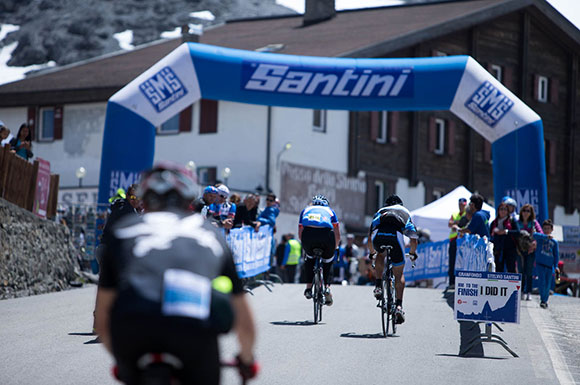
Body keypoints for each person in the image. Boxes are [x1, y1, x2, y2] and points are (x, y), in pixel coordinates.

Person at [94, 162, 257, 385]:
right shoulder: (210, 233)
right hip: (192, 328)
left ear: (146, 200)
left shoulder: (122, 231)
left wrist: (123, 362)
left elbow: (102, 320)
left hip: (133, 328)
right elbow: (244, 320)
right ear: (188, 201)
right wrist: (247, 361)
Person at [368, 194, 418, 324]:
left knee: (380, 254)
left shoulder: (380, 212)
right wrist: (412, 253)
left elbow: (370, 236)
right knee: (398, 274)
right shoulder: (405, 212)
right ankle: (399, 307)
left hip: (379, 237)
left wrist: (372, 253)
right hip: (395, 238)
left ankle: (378, 285)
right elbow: (413, 237)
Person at [299, 194, 340, 306]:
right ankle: (327, 287)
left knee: (309, 258)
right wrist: (335, 248)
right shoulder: (330, 211)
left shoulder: (306, 210)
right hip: (326, 235)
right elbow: (337, 233)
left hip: (308, 235)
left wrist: (305, 246)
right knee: (328, 261)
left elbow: (300, 232)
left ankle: (308, 288)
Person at [517, 203, 543, 301]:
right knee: (521, 271)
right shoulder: (517, 222)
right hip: (520, 250)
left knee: (529, 271)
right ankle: (521, 291)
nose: (526, 213)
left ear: (531, 213)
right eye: (524, 210)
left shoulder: (533, 223)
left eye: (528, 211)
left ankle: (528, 292)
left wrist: (534, 243)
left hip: (530, 250)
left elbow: (540, 233)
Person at [533, 219, 559, 308]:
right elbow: (534, 235)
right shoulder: (540, 238)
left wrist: (556, 266)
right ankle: (542, 300)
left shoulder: (554, 242)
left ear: (552, 229)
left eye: (548, 228)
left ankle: (545, 300)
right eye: (545, 228)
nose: (547, 230)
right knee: (542, 282)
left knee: (548, 284)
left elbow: (556, 255)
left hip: (549, 266)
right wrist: (545, 237)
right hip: (540, 264)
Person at [490, 202, 517, 273]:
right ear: (498, 211)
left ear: (508, 211)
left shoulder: (511, 221)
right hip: (498, 249)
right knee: (498, 269)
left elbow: (518, 232)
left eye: (505, 209)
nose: (503, 211)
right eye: (501, 209)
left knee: (511, 269)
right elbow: (490, 235)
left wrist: (506, 231)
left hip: (510, 248)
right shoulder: (494, 223)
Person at [447, 197, 467, 289]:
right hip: (454, 240)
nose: (461, 207)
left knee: (462, 262)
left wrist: (456, 223)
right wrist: (456, 223)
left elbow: (462, 223)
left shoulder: (467, 214)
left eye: (463, 205)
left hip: (463, 241)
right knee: (452, 261)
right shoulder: (455, 214)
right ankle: (452, 282)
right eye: (460, 205)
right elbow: (450, 224)